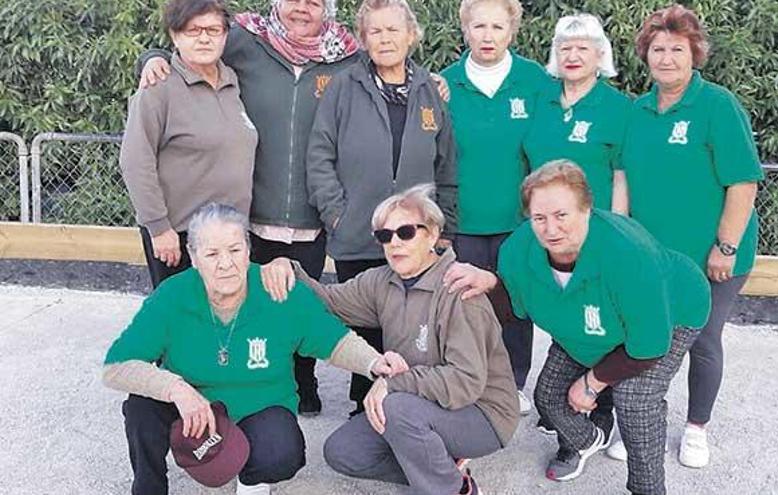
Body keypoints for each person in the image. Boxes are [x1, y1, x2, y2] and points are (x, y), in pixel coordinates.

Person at [137, 0, 362, 417]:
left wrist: (433, 85)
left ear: (328, 9)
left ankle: (302, 379)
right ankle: (207, 389)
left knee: (302, 301)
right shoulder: (247, 39)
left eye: (314, 2)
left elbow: (393, 73)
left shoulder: (349, 56)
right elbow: (192, 40)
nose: (302, 8)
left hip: (311, 213)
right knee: (247, 308)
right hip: (251, 215)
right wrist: (150, 57)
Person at [102, 203, 406, 495]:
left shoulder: (276, 288)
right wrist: (176, 389)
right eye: (212, 253)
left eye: (235, 250)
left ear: (248, 250)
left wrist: (374, 364)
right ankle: (149, 487)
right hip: (192, 407)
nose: (225, 263)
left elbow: (333, 340)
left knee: (281, 453)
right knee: (142, 407)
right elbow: (116, 365)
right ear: (193, 257)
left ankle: (253, 478)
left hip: (260, 404)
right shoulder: (173, 296)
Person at [444, 161, 711, 494]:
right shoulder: (518, 248)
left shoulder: (629, 254)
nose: (550, 229)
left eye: (561, 215)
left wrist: (591, 382)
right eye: (539, 218)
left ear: (587, 208)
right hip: (588, 326)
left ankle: (647, 489)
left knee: (635, 398)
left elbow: (648, 349)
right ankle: (590, 438)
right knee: (549, 396)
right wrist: (490, 281)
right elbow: (514, 307)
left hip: (672, 311)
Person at [260, 184, 517, 495]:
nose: (394, 243)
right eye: (385, 236)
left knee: (397, 409)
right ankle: (443, 468)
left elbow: (466, 381)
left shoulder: (459, 289)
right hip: (420, 403)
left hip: (482, 412)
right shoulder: (382, 282)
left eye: (406, 232)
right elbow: (327, 301)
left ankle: (452, 490)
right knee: (344, 451)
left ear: (433, 234)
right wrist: (289, 267)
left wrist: (394, 383)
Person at [620, 3, 764, 468]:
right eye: (658, 49)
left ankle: (697, 426)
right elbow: (623, 176)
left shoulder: (717, 105)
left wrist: (726, 246)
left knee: (702, 339)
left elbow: (742, 182)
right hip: (656, 258)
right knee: (648, 336)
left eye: (676, 49)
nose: (666, 58)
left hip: (712, 257)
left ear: (694, 53)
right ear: (646, 55)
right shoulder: (637, 111)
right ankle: (641, 421)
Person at [307, 0, 457, 415]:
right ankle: (363, 402)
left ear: (411, 36)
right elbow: (319, 154)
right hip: (359, 231)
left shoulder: (430, 90)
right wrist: (337, 212)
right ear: (364, 38)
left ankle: (409, 400)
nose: (385, 39)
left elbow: (446, 166)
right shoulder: (344, 86)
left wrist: (446, 228)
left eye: (394, 30)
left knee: (412, 322)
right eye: (376, 31)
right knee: (365, 320)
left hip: (416, 235)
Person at [440, 0, 549, 416]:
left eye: (497, 27)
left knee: (514, 307)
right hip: (463, 223)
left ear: (512, 31)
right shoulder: (445, 85)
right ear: (465, 30)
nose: (488, 35)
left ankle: (514, 384)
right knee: (465, 306)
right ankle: (469, 380)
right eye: (479, 26)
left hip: (517, 223)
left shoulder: (535, 81)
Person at [120, 0, 258, 289]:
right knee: (181, 322)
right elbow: (135, 160)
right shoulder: (158, 88)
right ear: (174, 35)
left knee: (221, 320)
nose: (204, 38)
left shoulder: (233, 83)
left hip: (229, 234)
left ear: (224, 35)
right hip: (180, 235)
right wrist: (159, 228)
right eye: (193, 30)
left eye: (213, 29)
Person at [523, 14, 631, 213]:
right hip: (540, 225)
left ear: (600, 54)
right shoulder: (538, 99)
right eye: (565, 49)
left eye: (582, 48)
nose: (572, 56)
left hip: (594, 228)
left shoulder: (619, 108)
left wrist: (617, 229)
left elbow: (621, 178)